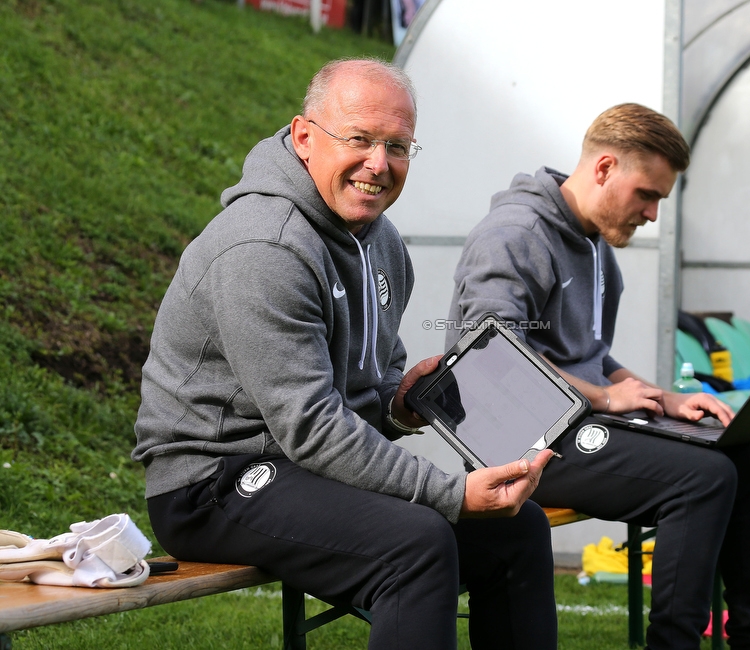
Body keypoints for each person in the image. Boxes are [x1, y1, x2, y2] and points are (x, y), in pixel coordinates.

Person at [132, 58, 557, 650]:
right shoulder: (265, 246)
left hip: (302, 465)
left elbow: (366, 391)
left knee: (519, 530)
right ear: (305, 138)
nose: (378, 164)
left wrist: (401, 405)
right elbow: (309, 424)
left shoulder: (381, 242)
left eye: (398, 145)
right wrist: (450, 492)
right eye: (358, 139)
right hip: (213, 481)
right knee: (417, 544)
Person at [448, 103, 750, 649]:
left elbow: (592, 354)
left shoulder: (595, 242)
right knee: (704, 478)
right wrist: (606, 398)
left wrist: (660, 398)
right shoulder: (513, 234)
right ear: (604, 168)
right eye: (647, 195)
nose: (652, 214)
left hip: (575, 421)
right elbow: (490, 358)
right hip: (515, 440)